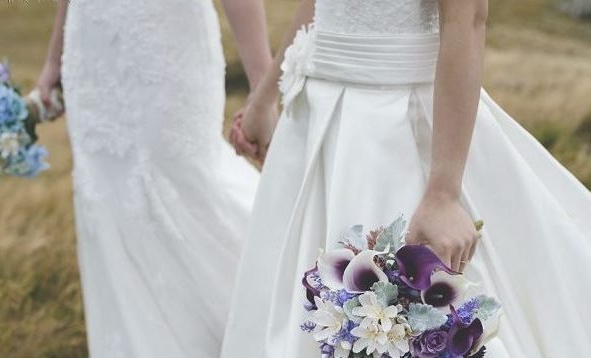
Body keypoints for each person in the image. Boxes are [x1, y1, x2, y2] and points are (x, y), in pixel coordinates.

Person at [224, 0, 591, 356]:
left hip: (399, 126)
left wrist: (444, 194)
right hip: (313, 119)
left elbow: (467, 20)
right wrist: (264, 96)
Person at [37, 0, 270, 356]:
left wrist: (262, 92)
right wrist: (55, 57)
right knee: (105, 196)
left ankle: (288, 314)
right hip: (91, 48)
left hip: (164, 45)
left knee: (184, 181)